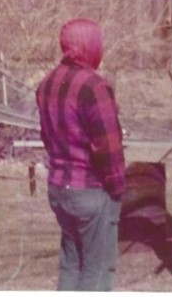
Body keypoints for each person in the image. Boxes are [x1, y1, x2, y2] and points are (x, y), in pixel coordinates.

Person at [36, 18, 126, 291]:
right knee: (97, 270)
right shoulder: (95, 86)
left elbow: (48, 137)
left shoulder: (46, 83)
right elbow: (108, 148)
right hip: (90, 191)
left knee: (71, 264)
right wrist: (117, 188)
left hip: (59, 188)